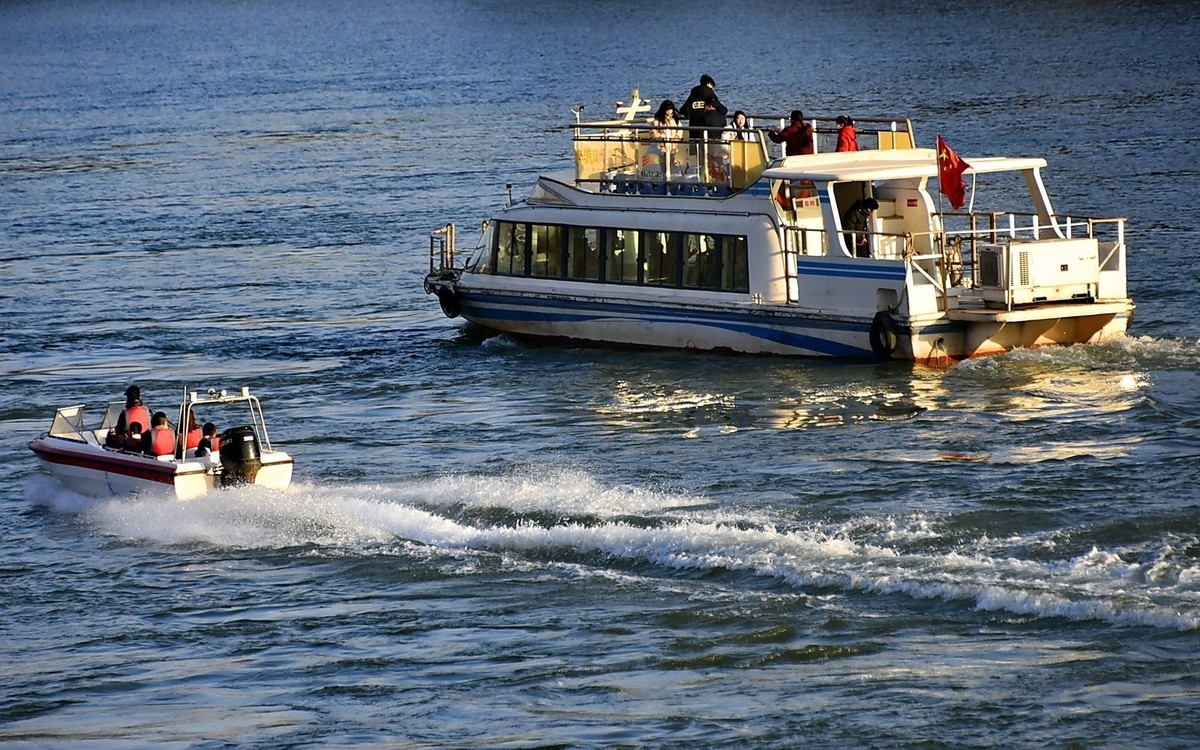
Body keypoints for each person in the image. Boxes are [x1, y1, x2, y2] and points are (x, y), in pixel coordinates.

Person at [681, 74, 727, 144]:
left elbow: (684, 110)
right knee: (708, 151)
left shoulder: (693, 93)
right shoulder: (710, 94)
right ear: (709, 84)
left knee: (695, 152)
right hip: (708, 130)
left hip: (694, 128)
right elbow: (723, 110)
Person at [649, 99, 682, 176]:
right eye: (667, 110)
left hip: (673, 148)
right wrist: (662, 137)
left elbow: (679, 132)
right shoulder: (657, 121)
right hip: (662, 148)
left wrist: (675, 139)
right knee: (663, 166)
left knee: (672, 165)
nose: (669, 112)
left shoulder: (675, 121)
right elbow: (653, 133)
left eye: (670, 109)